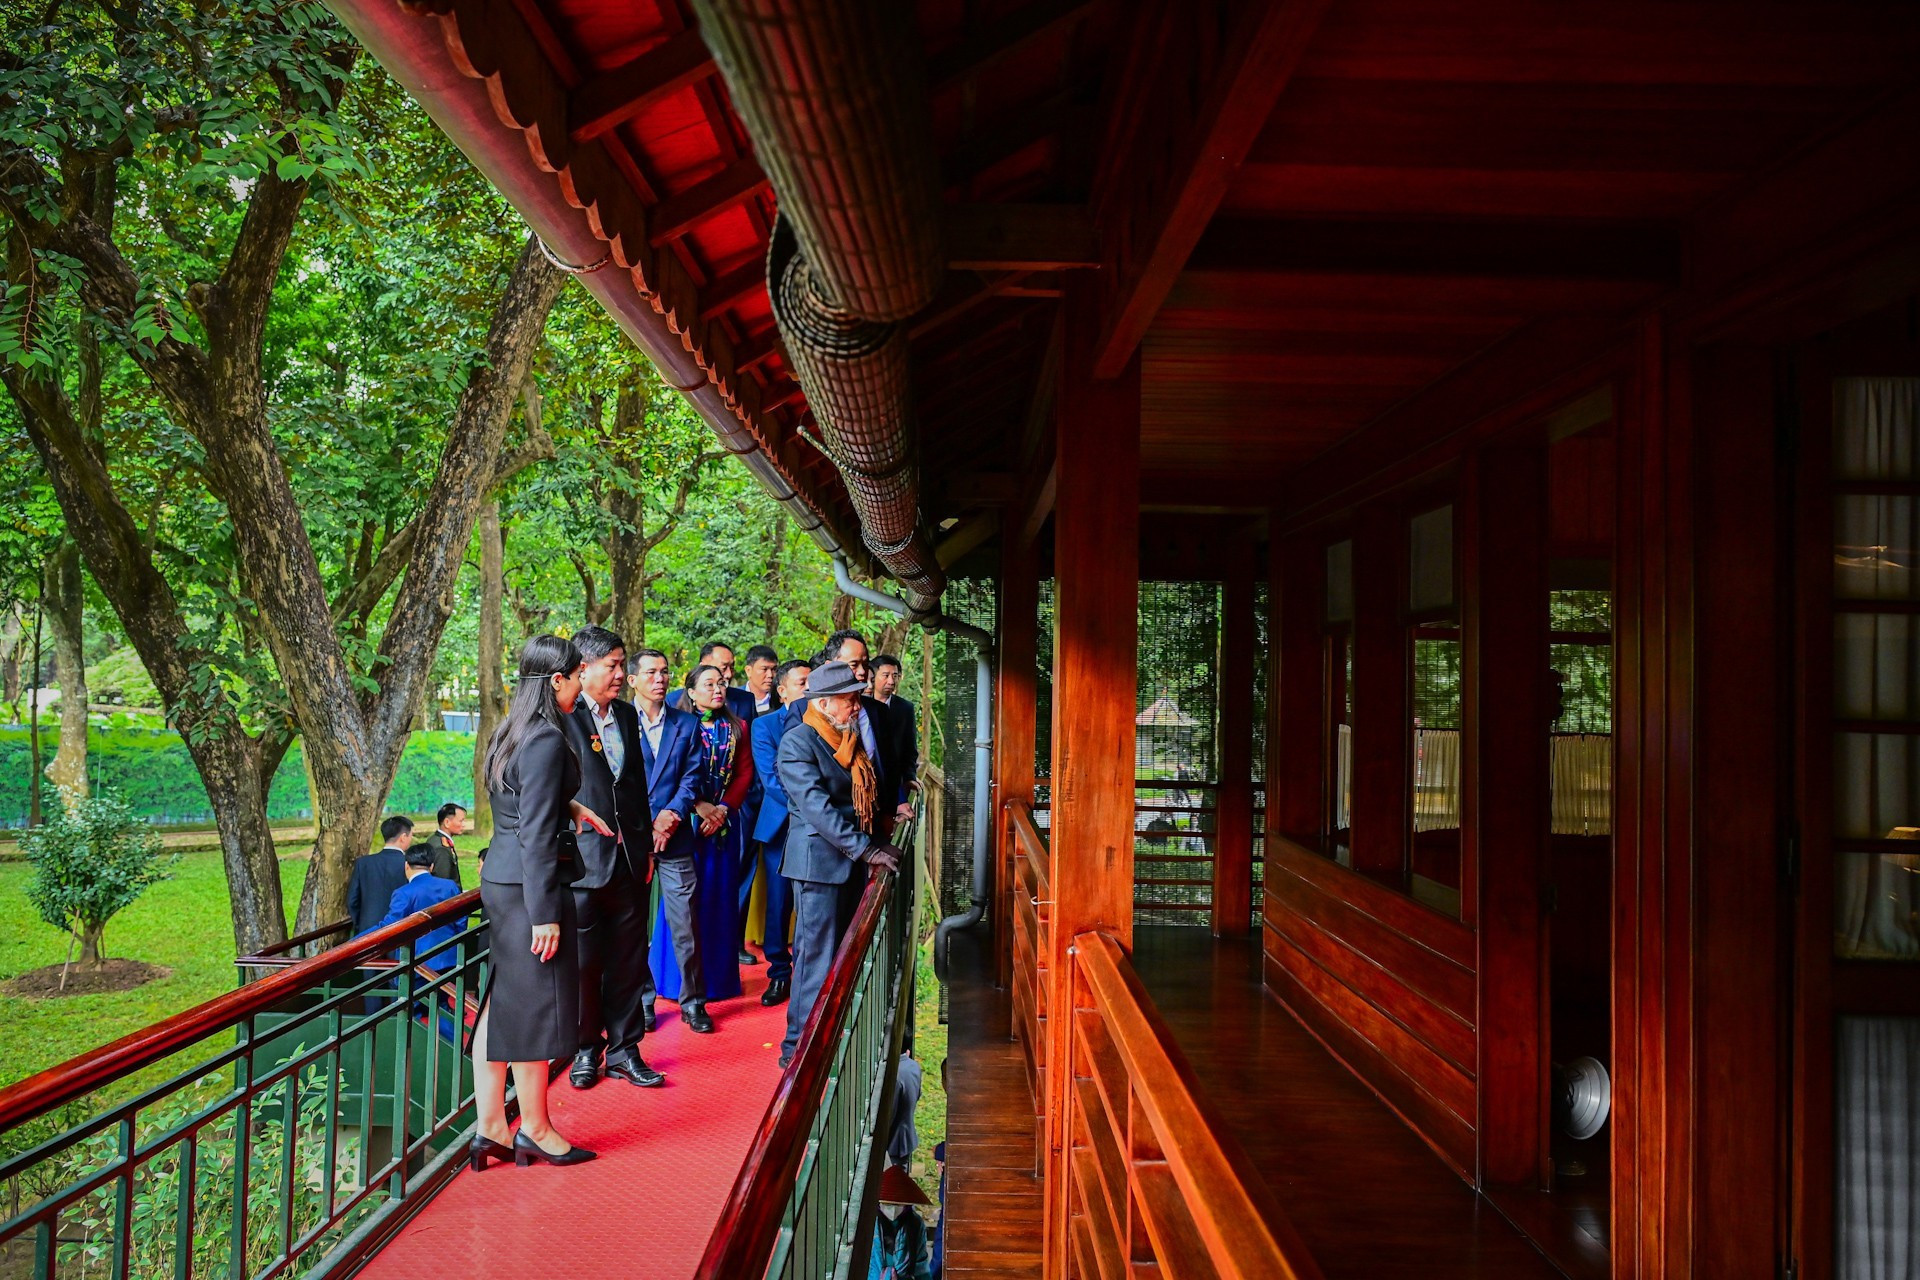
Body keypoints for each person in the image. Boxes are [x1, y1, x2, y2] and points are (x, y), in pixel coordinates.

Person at [468, 634, 612, 1172]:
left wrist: (569, 806)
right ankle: (535, 1128)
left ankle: (489, 1126)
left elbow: (518, 802)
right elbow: (534, 833)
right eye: (578, 676)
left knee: (506, 1002)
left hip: (503, 883)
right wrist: (546, 914)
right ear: (558, 680)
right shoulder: (548, 737)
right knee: (533, 1007)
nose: (582, 686)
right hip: (531, 889)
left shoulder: (511, 729)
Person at [776, 660, 904, 1067]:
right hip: (817, 866)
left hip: (846, 861)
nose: (856, 708)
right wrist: (866, 850)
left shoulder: (846, 738)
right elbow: (818, 809)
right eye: (850, 701)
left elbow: (861, 799)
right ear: (826, 703)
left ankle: (827, 1040)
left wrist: (876, 840)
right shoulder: (799, 742)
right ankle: (797, 1050)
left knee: (839, 957)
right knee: (815, 960)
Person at [563, 625, 662, 1091]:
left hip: (629, 858)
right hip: (583, 864)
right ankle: (587, 1048)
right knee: (585, 964)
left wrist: (643, 849)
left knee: (628, 958)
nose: (622, 673)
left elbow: (637, 787)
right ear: (584, 669)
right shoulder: (563, 716)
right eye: (614, 665)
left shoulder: (625, 714)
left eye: (622, 664)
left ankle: (626, 1049)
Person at [650, 663, 754, 1014]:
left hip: (723, 826)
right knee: (683, 906)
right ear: (690, 692)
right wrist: (698, 806)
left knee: (719, 900)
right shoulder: (680, 727)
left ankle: (719, 981)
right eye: (708, 684)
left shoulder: (738, 727)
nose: (718, 689)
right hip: (686, 822)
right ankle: (673, 981)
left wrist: (723, 808)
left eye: (721, 683)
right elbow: (676, 774)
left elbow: (744, 774)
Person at [631, 647, 712, 1033]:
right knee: (632, 927)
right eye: (650, 672)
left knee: (686, 926)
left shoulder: (687, 724)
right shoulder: (616, 722)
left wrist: (672, 815)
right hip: (631, 838)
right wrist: (646, 824)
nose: (659, 678)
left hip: (676, 836)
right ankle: (643, 1001)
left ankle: (693, 1001)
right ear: (633, 680)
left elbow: (693, 776)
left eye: (664, 672)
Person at [747, 658, 810, 1005]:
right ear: (782, 690)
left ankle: (811, 974)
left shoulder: (825, 721)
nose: (809, 689)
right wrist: (812, 809)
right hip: (782, 825)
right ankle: (779, 973)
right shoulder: (765, 726)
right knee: (779, 900)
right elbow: (771, 780)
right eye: (802, 683)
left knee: (812, 902)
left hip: (820, 828)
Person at [822, 630, 916, 838]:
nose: (863, 672)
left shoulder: (878, 711)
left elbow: (889, 768)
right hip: (827, 830)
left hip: (874, 822)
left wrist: (899, 802)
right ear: (830, 667)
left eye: (865, 664)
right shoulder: (807, 712)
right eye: (854, 664)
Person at [379, 842, 467, 971]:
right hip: (449, 957)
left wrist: (355, 941)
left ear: (406, 866)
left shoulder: (403, 893)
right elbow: (461, 921)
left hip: (417, 962)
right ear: (431, 866)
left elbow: (391, 924)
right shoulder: (450, 886)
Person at [348, 816, 414, 937]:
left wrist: (361, 924)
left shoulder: (363, 863)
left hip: (367, 932)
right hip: (399, 929)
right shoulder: (409, 864)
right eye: (411, 836)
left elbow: (353, 900)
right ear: (403, 837)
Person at [870, 654, 919, 813]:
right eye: (885, 675)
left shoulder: (905, 708)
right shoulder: (862, 706)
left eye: (895, 676)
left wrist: (910, 778)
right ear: (873, 677)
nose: (891, 681)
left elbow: (910, 749)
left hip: (896, 784)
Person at [867, 1165, 934, 1280]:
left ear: (906, 1205)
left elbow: (921, 1264)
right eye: (887, 1205)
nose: (893, 1209)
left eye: (898, 1205)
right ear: (879, 1204)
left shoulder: (915, 1223)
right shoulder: (869, 1222)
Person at [668, 641, 757, 722]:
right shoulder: (672, 702)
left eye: (732, 668)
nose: (729, 674)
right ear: (703, 666)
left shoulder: (746, 700)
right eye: (723, 668)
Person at [427, 803, 466, 887]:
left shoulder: (435, 839)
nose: (463, 825)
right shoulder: (441, 848)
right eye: (461, 821)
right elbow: (442, 883)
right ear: (447, 822)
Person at [742, 644, 780, 715]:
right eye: (764, 669)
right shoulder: (734, 699)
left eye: (774, 669)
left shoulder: (781, 699)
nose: (770, 675)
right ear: (748, 671)